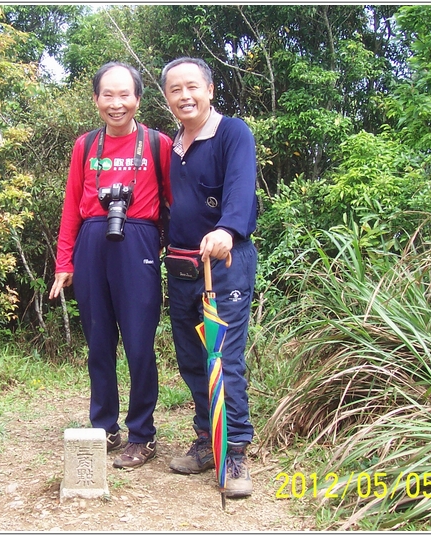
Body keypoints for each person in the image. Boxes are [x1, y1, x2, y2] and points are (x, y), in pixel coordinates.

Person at [49, 62, 172, 469]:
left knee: (139, 344)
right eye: (108, 95)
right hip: (91, 243)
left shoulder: (159, 144)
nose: (116, 103)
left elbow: (176, 202)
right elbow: (71, 205)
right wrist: (64, 260)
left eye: (124, 95)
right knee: (99, 344)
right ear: (96, 99)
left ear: (138, 98)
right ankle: (104, 426)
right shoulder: (85, 145)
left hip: (137, 241)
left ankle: (142, 433)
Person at [160, 57, 259, 497]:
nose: (185, 96)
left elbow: (240, 189)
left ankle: (235, 451)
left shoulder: (232, 133)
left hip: (224, 264)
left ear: (211, 89)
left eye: (192, 87)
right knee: (191, 359)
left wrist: (226, 228)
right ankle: (208, 438)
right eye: (175, 89)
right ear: (166, 97)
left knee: (223, 358)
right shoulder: (171, 146)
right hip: (180, 268)